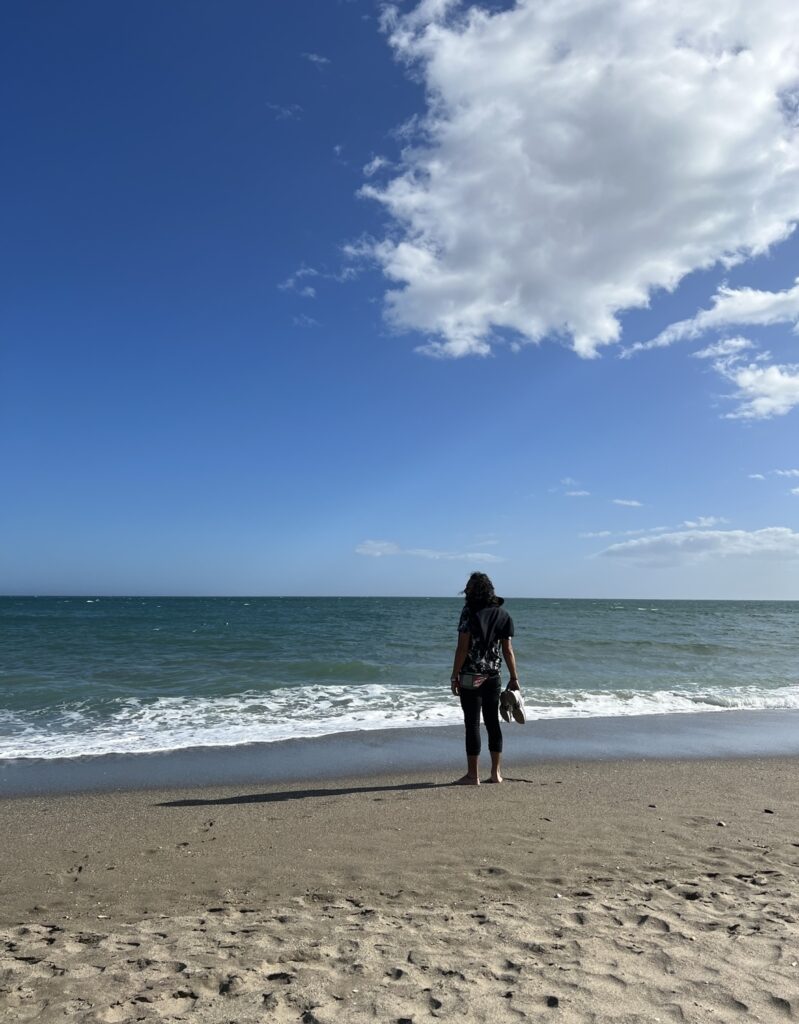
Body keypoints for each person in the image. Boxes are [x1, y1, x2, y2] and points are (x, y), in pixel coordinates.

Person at [449, 572, 521, 785]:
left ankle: (473, 775)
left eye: (468, 589)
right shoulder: (503, 615)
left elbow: (462, 648)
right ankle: (496, 774)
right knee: (492, 723)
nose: (466, 592)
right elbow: (508, 651)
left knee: (472, 724)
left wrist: (455, 676)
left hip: (471, 677)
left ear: (473, 592)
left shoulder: (468, 613)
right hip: (493, 677)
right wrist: (514, 678)